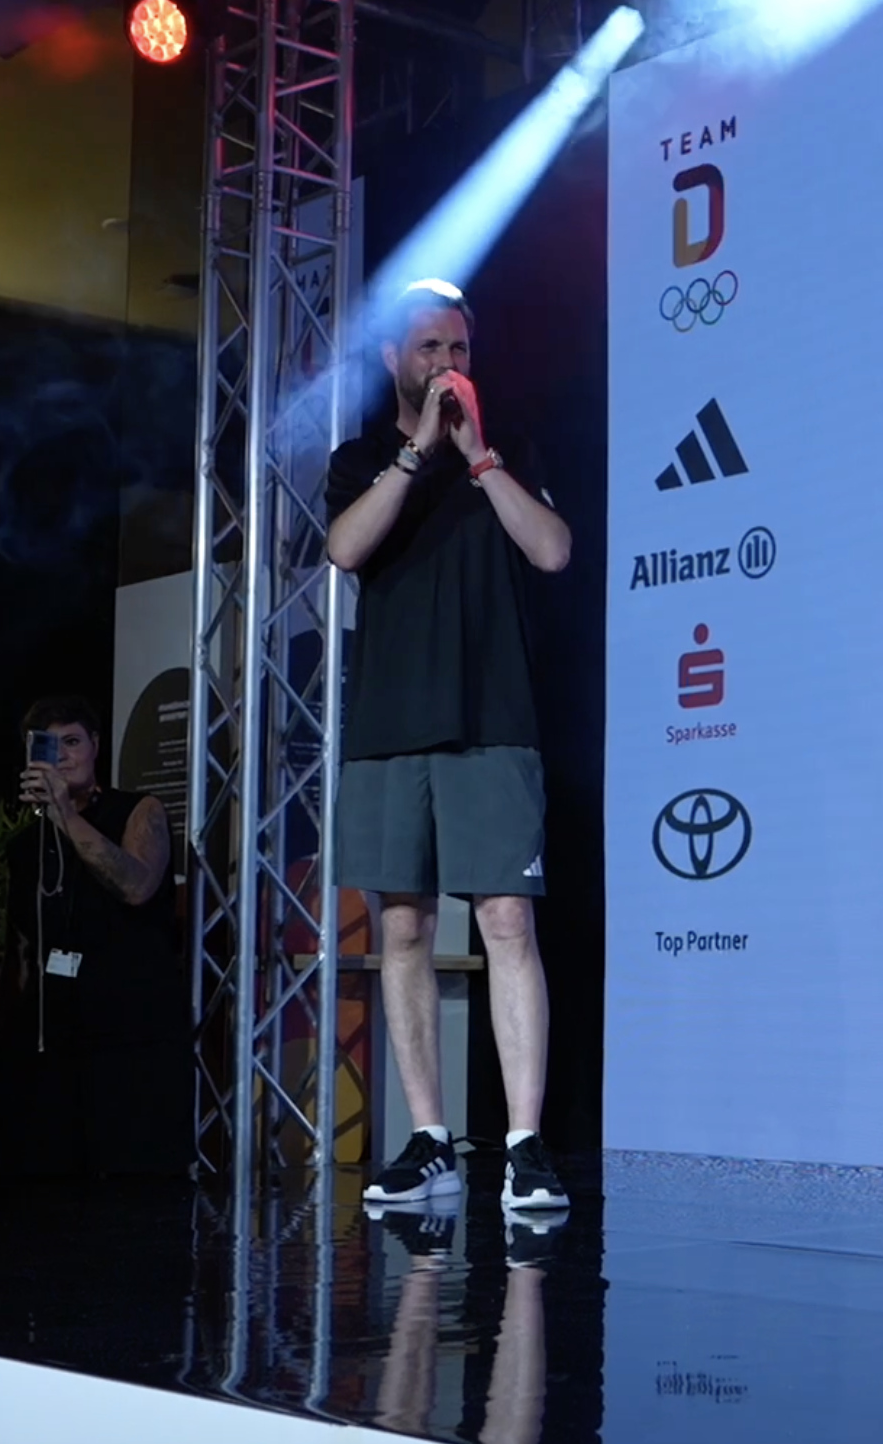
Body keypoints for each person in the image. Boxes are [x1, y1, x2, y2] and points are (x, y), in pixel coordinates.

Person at [324, 281, 573, 1215]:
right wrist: (415, 454)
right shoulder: (360, 460)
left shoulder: (508, 453)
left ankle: (524, 1145)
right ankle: (429, 1141)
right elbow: (345, 550)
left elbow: (552, 551)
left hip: (493, 719)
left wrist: (478, 460)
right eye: (429, 348)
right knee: (403, 928)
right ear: (395, 359)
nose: (447, 365)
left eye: (459, 350)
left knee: (507, 919)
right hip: (390, 727)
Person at [1, 697, 185, 1179]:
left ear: (95, 746)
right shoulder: (26, 845)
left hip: (132, 1039)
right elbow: (22, 948)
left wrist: (66, 814)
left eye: (72, 742)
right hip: (56, 1041)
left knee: (133, 1185)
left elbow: (136, 885)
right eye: (47, 746)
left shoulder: (139, 810)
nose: (61, 756)